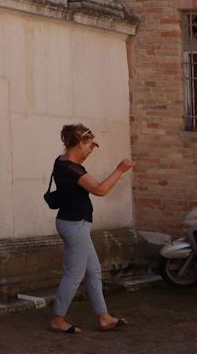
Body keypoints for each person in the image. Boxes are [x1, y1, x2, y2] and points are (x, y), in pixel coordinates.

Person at [48, 123, 133, 334]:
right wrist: (120, 170)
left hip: (76, 224)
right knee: (74, 274)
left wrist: (89, 143)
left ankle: (104, 318)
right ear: (78, 145)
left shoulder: (63, 161)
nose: (89, 150)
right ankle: (58, 319)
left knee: (93, 271)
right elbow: (100, 190)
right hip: (74, 225)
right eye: (87, 146)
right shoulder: (71, 169)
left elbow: (80, 159)